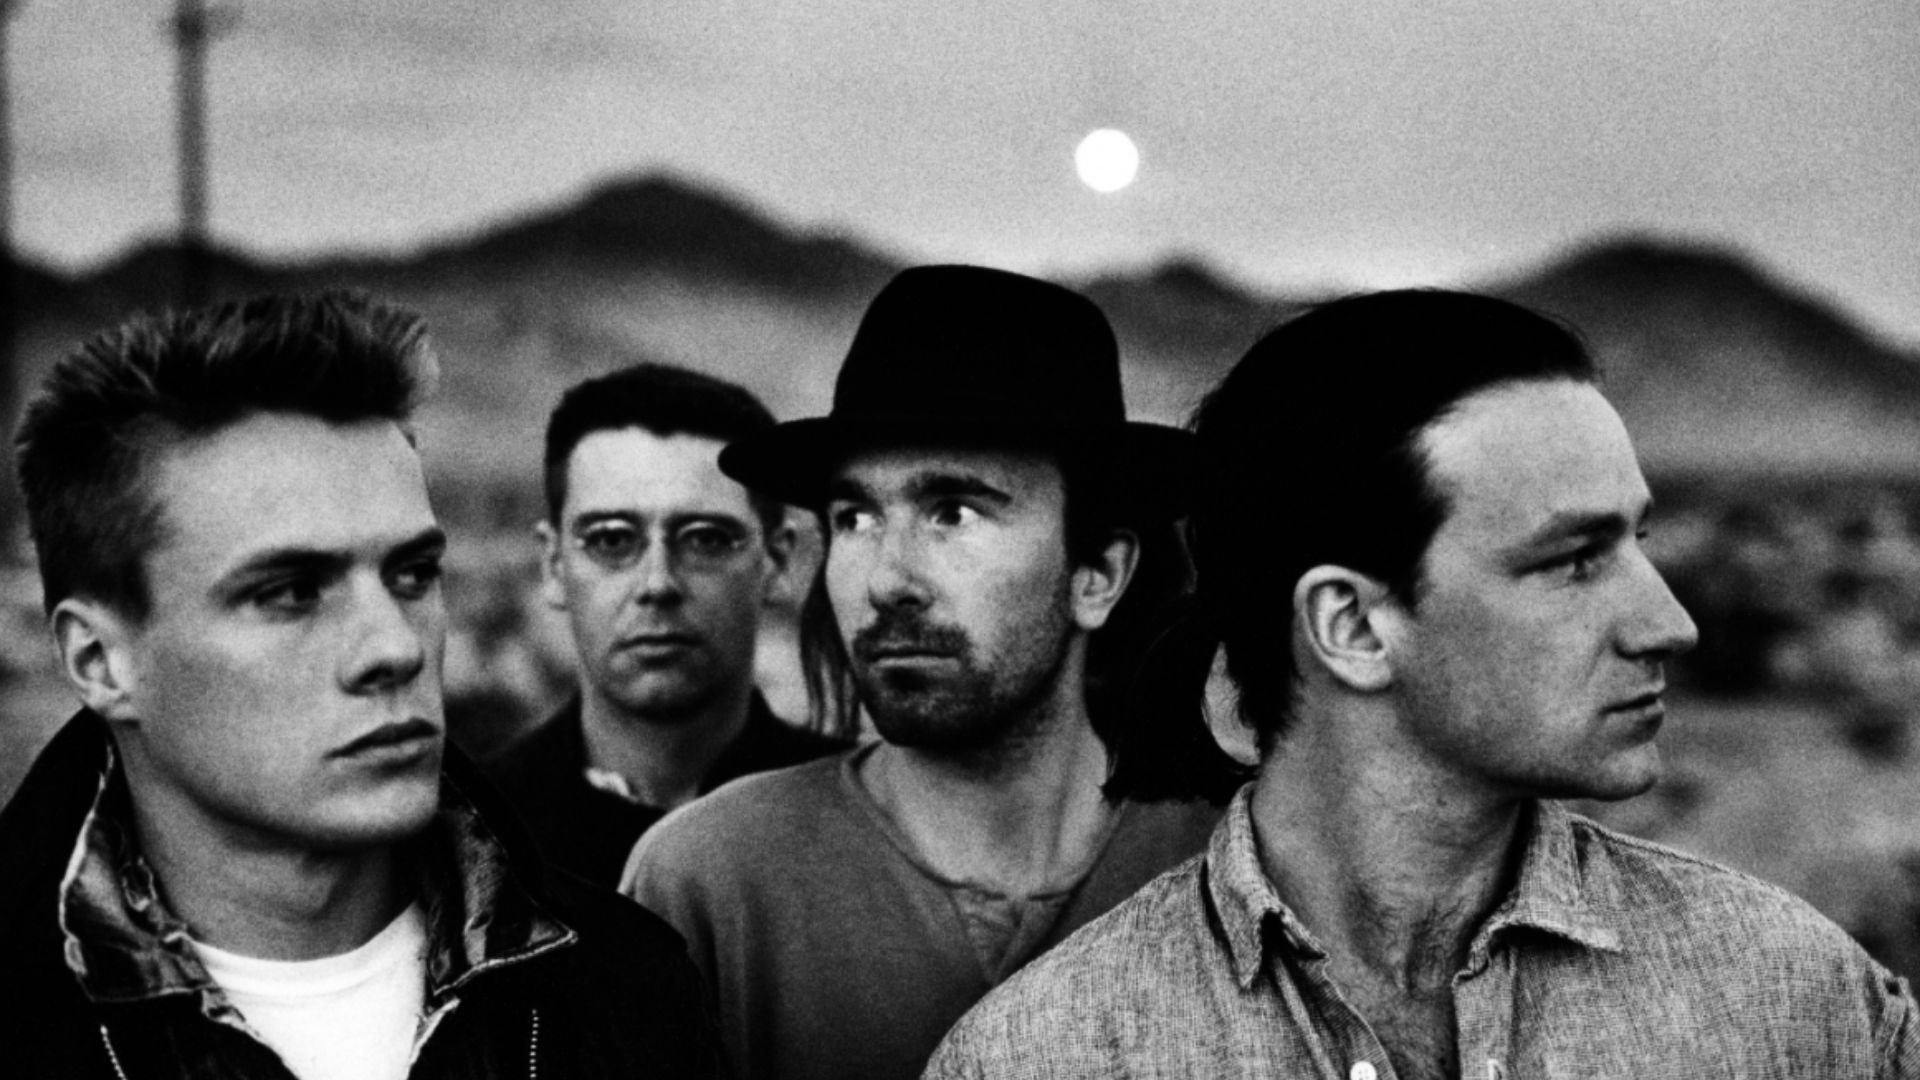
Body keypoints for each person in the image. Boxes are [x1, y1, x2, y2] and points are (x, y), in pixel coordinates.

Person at [923, 289, 1920, 1078]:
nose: (1671, 622)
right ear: (1352, 626)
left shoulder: (1793, 1003)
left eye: (1639, 541)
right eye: (1575, 559)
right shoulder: (1048, 1055)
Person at [0, 294, 721, 1079]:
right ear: (99, 661)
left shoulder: (626, 993)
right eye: (290, 592)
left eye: (412, 574)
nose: (394, 647)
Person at [621, 265, 1244, 1080]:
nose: (887, 579)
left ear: (1097, 574)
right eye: (855, 517)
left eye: (953, 512)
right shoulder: (710, 882)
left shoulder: (1228, 867)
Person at [484, 362, 846, 886]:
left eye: (706, 539)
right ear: (553, 565)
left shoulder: (864, 824)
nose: (657, 583)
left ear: (776, 560)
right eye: (611, 539)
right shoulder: (470, 838)